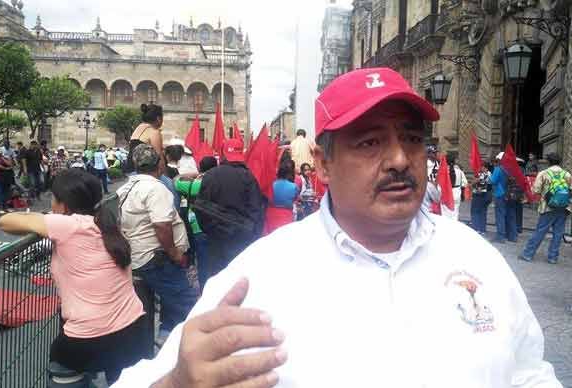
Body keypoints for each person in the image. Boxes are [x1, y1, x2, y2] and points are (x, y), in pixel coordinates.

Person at [112, 67, 562, 388]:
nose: (401, 160)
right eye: (369, 142)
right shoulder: (263, 275)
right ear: (322, 165)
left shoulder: (478, 258)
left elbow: (530, 371)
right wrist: (174, 384)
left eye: (411, 138)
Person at [0, 169, 147, 384]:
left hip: (88, 337)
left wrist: (45, 218)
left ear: (63, 204)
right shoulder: (106, 222)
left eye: (53, 198)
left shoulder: (67, 225)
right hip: (133, 327)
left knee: (61, 369)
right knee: (124, 379)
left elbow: (5, 222)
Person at [117, 144, 197, 345]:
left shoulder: (126, 187)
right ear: (159, 164)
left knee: (165, 304)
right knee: (187, 302)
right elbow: (161, 225)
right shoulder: (154, 188)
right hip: (156, 258)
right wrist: (175, 253)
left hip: (139, 256)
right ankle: (184, 348)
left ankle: (165, 337)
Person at [193, 138, 265, 282]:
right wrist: (249, 235)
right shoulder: (249, 177)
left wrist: (214, 231)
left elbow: (200, 209)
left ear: (224, 154)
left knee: (219, 282)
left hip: (217, 242)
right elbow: (258, 211)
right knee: (241, 283)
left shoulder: (210, 176)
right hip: (243, 243)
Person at [174, 156, 219, 292]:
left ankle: (204, 290)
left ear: (200, 168)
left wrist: (194, 175)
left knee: (203, 261)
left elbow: (176, 180)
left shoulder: (193, 185)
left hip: (196, 225)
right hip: (215, 224)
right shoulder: (217, 182)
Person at [519, 152, 571, 264]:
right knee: (558, 233)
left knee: (540, 231)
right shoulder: (567, 174)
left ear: (548, 162)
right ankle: (552, 257)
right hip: (563, 208)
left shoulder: (544, 173)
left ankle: (528, 254)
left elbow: (535, 190)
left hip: (547, 207)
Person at [490, 153, 519, 243]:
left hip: (500, 194)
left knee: (500, 215)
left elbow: (492, 181)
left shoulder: (498, 169)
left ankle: (500, 236)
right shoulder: (513, 168)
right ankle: (513, 236)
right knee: (511, 215)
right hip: (511, 195)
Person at [128, 104, 165, 172]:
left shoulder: (138, 127)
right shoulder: (154, 132)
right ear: (158, 118)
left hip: (130, 170)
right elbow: (159, 158)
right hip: (145, 172)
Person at [441, 154, 468, 221]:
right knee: (455, 212)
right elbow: (464, 183)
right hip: (457, 192)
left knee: (445, 212)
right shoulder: (459, 171)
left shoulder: (443, 170)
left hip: (446, 192)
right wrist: (462, 195)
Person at [470, 162, 492, 235]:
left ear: (486, 168)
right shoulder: (482, 174)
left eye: (482, 167)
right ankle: (480, 228)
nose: (481, 168)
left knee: (479, 212)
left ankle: (478, 228)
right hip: (479, 194)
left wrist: (475, 181)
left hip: (482, 195)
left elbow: (479, 183)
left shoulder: (487, 174)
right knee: (481, 212)